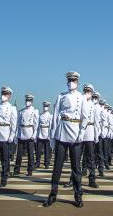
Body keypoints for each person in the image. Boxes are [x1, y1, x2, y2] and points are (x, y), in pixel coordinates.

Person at [42, 71, 88, 208]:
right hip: (62, 133)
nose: (71, 82)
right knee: (57, 166)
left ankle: (78, 195)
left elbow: (85, 116)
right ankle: (52, 194)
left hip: (75, 134)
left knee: (76, 167)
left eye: (73, 80)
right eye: (69, 80)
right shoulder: (61, 96)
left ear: (77, 82)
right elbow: (56, 116)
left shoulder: (82, 97)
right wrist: (53, 136)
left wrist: (82, 132)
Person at [14, 93, 39, 177]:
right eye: (27, 100)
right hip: (21, 133)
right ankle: (17, 169)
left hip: (30, 132)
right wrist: (16, 135)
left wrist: (34, 134)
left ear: (32, 101)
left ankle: (30, 169)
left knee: (30, 154)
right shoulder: (21, 111)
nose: (28, 101)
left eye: (29, 100)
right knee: (19, 153)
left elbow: (36, 124)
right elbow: (17, 124)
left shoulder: (35, 111)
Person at [81, 83, 100, 188]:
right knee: (76, 157)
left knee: (90, 158)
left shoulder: (94, 106)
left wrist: (96, 135)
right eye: (85, 91)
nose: (86, 93)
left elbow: (96, 122)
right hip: (80, 132)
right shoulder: (79, 103)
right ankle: (74, 179)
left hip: (90, 131)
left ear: (92, 93)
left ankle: (92, 179)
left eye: (88, 91)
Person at [36, 100, 52, 169]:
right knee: (38, 150)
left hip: (47, 134)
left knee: (47, 151)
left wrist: (50, 135)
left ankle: (47, 163)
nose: (45, 107)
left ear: (48, 107)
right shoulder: (40, 115)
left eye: (47, 106)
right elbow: (37, 125)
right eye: (45, 106)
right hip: (40, 134)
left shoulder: (50, 116)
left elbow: (51, 126)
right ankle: (37, 162)